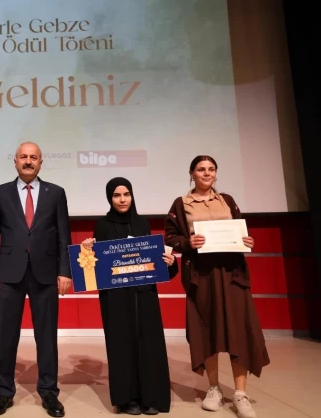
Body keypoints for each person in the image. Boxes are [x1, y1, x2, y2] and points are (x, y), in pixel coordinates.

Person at [164, 155, 269, 418]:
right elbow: (171, 237)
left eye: (211, 169)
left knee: (239, 330)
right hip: (201, 275)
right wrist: (188, 243)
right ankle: (213, 388)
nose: (207, 173)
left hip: (232, 274)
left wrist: (247, 240)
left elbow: (240, 231)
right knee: (206, 329)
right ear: (192, 173)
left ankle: (240, 393)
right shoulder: (180, 204)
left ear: (216, 173)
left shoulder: (228, 200)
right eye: (201, 169)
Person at [0, 142, 71, 417]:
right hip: (9, 274)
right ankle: (3, 392)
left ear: (41, 162)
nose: (28, 161)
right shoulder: (0, 193)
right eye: (23, 156)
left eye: (34, 157)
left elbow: (64, 236)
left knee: (46, 336)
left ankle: (49, 392)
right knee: (7, 335)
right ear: (15, 161)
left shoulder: (56, 193)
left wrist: (65, 271)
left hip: (46, 273)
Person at [81, 177, 178, 415]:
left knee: (149, 343)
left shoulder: (142, 223)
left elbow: (154, 263)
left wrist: (169, 262)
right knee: (121, 344)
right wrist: (87, 251)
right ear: (110, 198)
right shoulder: (102, 226)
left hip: (144, 296)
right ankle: (127, 399)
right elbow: (94, 269)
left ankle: (151, 397)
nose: (122, 200)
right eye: (117, 195)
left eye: (126, 194)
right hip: (115, 298)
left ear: (132, 196)